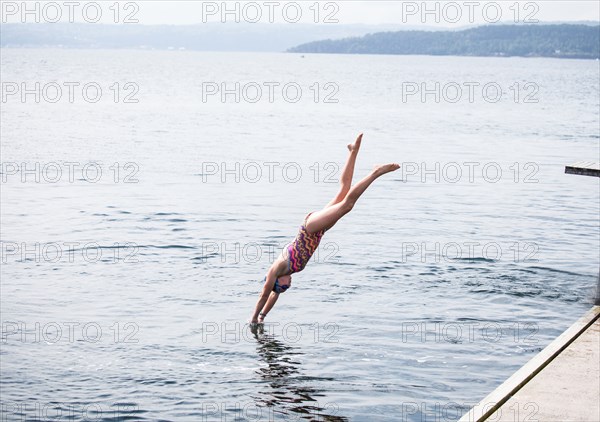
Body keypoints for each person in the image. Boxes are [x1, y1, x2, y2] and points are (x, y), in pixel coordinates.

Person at [250, 134, 399, 324]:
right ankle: (353, 151)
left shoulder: (275, 270)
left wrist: (254, 317)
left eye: (284, 287)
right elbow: (272, 297)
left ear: (278, 282)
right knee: (344, 191)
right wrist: (263, 316)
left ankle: (375, 173)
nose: (289, 286)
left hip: (309, 228)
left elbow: (265, 295)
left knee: (347, 205)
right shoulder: (286, 274)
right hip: (318, 232)